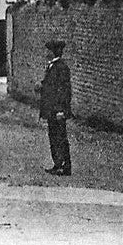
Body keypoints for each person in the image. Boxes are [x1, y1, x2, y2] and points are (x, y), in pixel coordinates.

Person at [39, 39, 72, 176]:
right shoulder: (52, 66)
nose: (46, 53)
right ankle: (57, 163)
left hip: (57, 109)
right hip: (51, 109)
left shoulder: (61, 68)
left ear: (53, 52)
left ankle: (65, 165)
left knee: (60, 137)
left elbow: (64, 91)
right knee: (53, 136)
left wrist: (61, 110)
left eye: (48, 51)